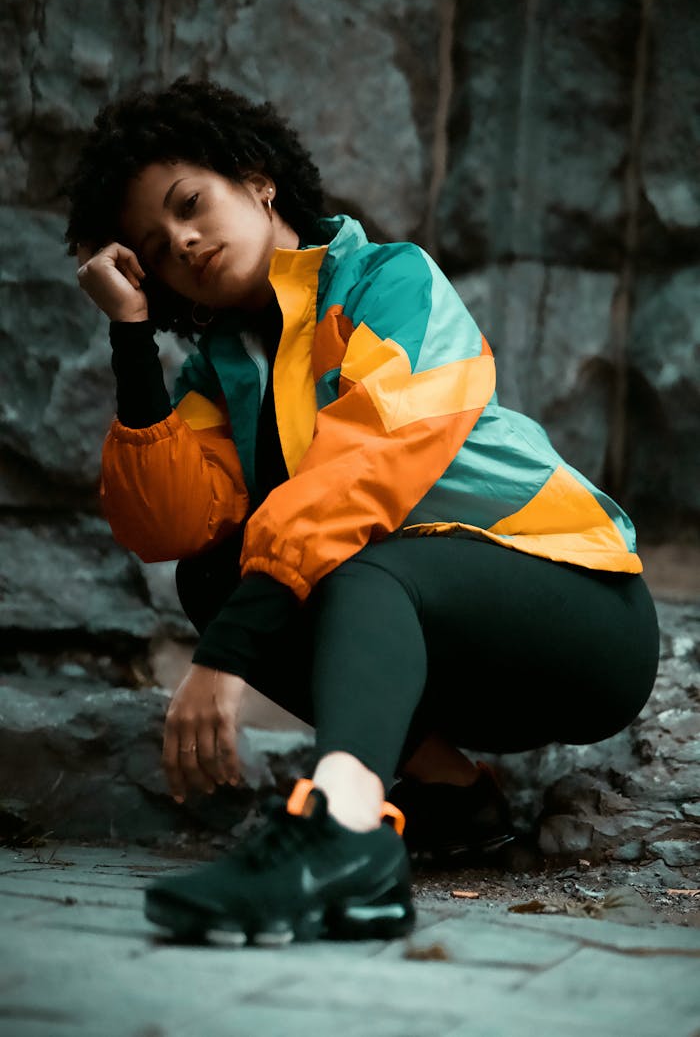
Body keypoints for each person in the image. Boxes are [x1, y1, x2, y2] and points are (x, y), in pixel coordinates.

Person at [63, 76, 659, 946]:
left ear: (258, 180)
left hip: (580, 616)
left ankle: (342, 831)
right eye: (155, 245)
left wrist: (222, 662)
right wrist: (131, 338)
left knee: (363, 557)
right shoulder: (221, 375)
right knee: (213, 574)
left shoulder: (391, 282)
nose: (182, 241)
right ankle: (451, 801)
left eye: (190, 204)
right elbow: (167, 522)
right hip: (437, 648)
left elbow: (365, 470)